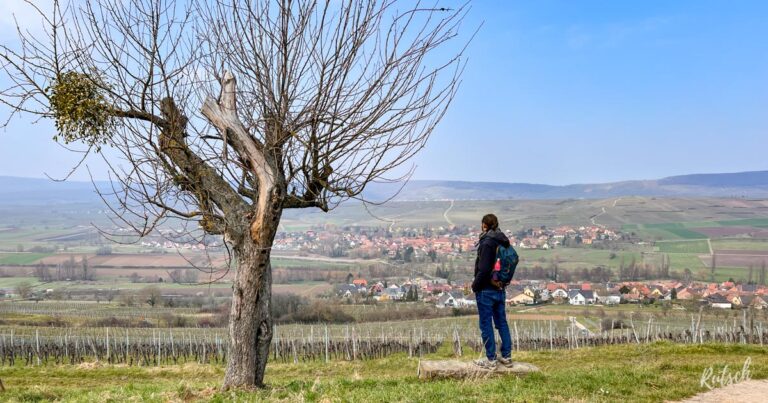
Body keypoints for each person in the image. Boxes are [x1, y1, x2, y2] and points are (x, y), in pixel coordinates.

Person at [471, 213, 513, 369]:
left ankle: (491, 359)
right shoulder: (503, 240)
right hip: (500, 287)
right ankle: (506, 356)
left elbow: (483, 269)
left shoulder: (487, 242)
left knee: (486, 324)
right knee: (502, 322)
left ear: (484, 225)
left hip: (486, 289)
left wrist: (475, 286)